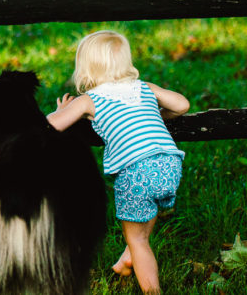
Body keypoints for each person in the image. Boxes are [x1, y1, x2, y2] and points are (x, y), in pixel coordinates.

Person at [47, 30, 189, 294]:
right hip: (170, 165)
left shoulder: (89, 99)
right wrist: (153, 114)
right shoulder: (145, 87)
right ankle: (126, 262)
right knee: (148, 206)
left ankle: (152, 290)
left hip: (135, 171)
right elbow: (182, 105)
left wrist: (59, 112)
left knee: (136, 238)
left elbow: (51, 127)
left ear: (85, 68)